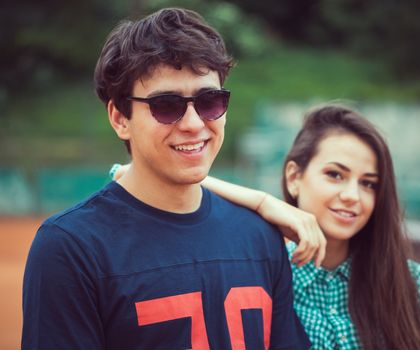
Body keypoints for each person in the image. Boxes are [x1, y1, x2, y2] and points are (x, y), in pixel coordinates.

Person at [22, 8, 313, 349]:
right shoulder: (71, 248)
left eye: (210, 100)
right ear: (120, 118)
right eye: (166, 105)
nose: (193, 123)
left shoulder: (261, 236)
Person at [114, 104, 420, 349]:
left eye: (369, 184)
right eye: (335, 175)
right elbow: (124, 172)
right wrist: (263, 201)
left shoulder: (410, 282)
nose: (352, 196)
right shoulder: (261, 279)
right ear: (294, 177)